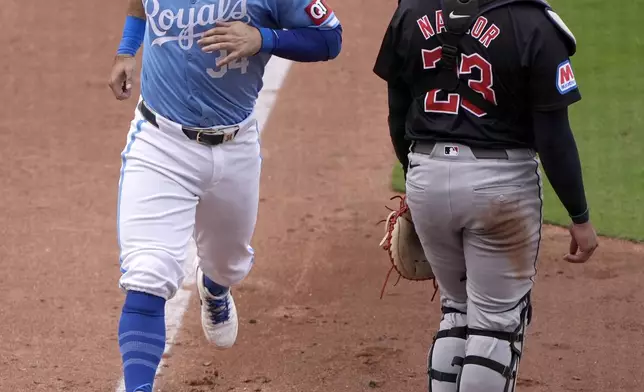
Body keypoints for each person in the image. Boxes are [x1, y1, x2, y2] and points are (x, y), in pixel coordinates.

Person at [107, 0, 342, 391]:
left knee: (228, 263)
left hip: (234, 148)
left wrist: (263, 38)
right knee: (148, 273)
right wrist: (127, 50)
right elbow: (139, 6)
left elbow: (330, 39)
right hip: (160, 143)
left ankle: (214, 288)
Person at [372, 0, 598, 391]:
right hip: (500, 189)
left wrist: (414, 181)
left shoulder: (411, 11)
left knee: (456, 311)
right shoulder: (533, 23)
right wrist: (579, 216)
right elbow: (554, 137)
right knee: (495, 325)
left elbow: (397, 112)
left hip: (426, 174)